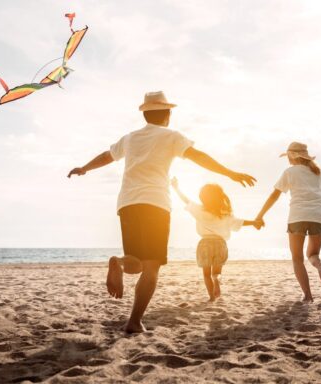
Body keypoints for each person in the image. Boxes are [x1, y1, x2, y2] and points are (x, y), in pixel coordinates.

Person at [67, 91, 256, 333]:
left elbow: (107, 156)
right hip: (155, 204)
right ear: (167, 115)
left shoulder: (130, 138)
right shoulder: (171, 136)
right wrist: (230, 173)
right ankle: (134, 321)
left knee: (135, 263)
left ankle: (119, 263)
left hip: (127, 203)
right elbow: (198, 157)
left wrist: (84, 168)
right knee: (152, 266)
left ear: (145, 114)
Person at [255, 142, 321, 302]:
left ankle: (307, 295)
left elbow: (274, 195)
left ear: (292, 156)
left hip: (297, 217)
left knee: (297, 259)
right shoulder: (318, 171)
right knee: (313, 255)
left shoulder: (290, 172)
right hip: (319, 216)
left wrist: (260, 215)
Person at [171, 177, 262, 301]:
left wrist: (176, 188)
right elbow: (239, 222)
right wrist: (253, 222)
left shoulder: (199, 209)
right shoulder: (225, 213)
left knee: (206, 274)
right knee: (216, 273)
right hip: (220, 244)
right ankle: (217, 280)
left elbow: (186, 200)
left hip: (204, 244)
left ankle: (211, 297)